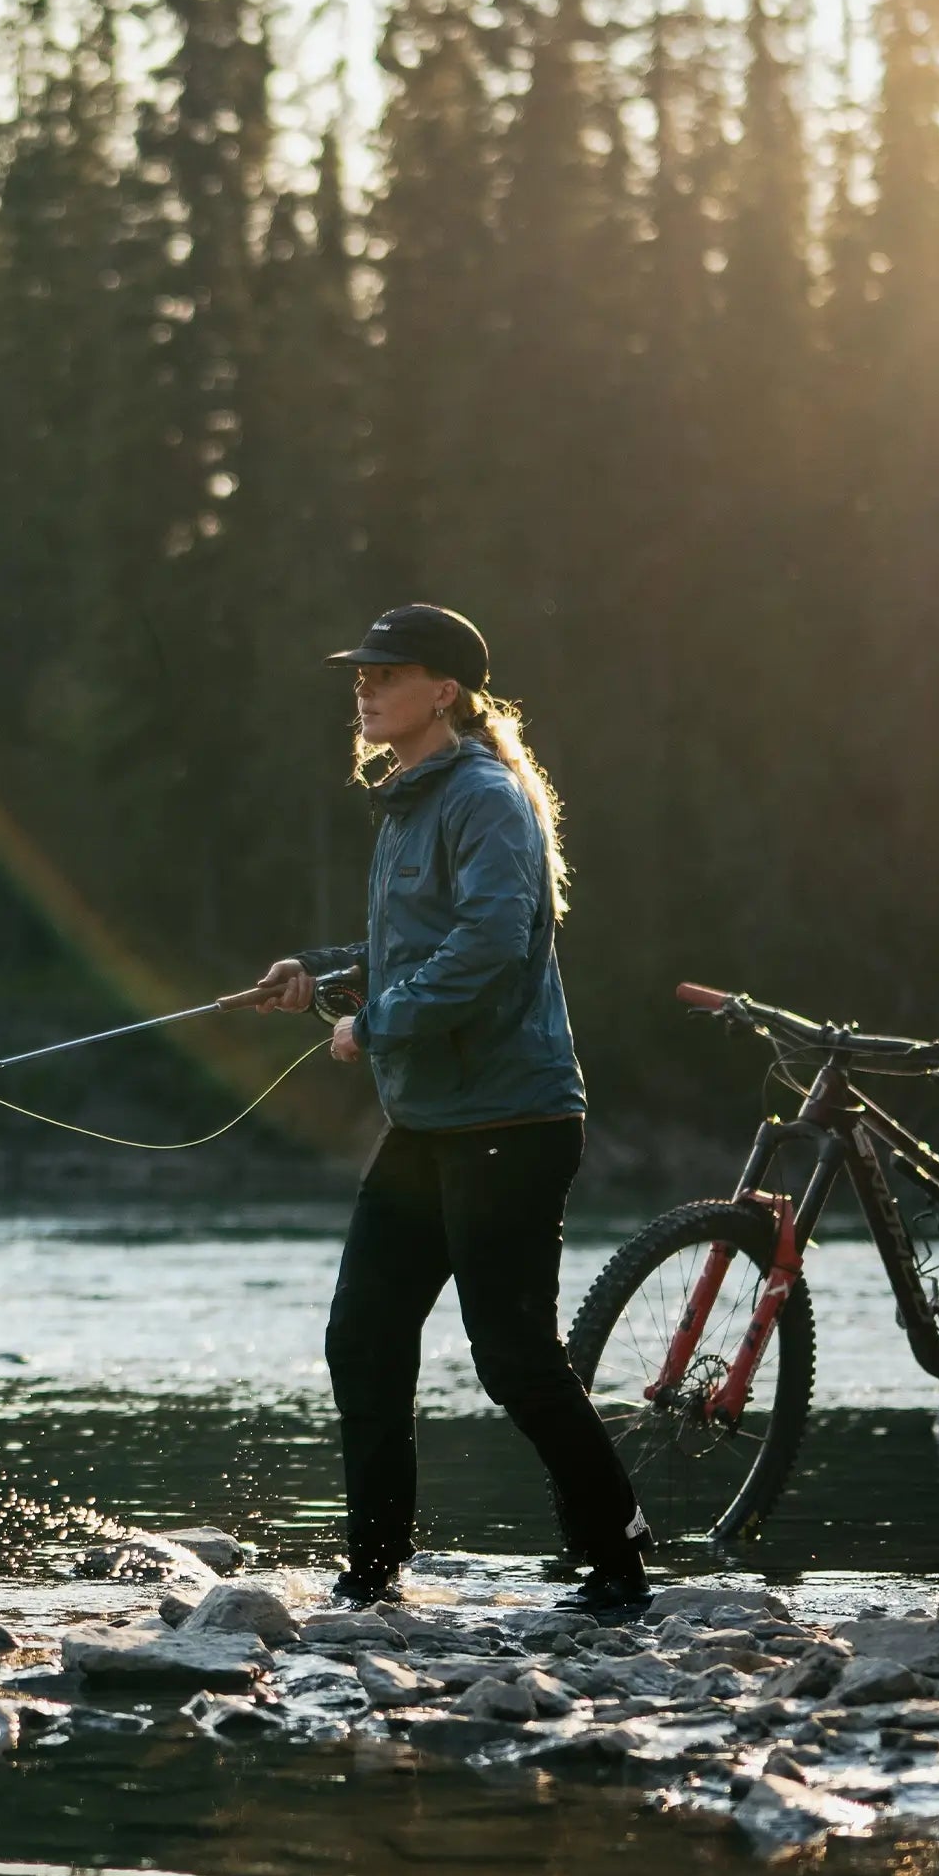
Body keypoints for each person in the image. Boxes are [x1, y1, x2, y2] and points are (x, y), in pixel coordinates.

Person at [242, 603, 652, 1617]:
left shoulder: (484, 797)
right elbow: (412, 952)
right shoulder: (407, 801)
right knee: (362, 1337)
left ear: (445, 692)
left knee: (512, 1358)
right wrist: (325, 979)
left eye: (388, 673)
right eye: (361, 675)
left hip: (513, 1121)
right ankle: (375, 1571)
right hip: (433, 1124)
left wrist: (377, 1023)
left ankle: (620, 1557)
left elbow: (489, 947)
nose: (366, 688)